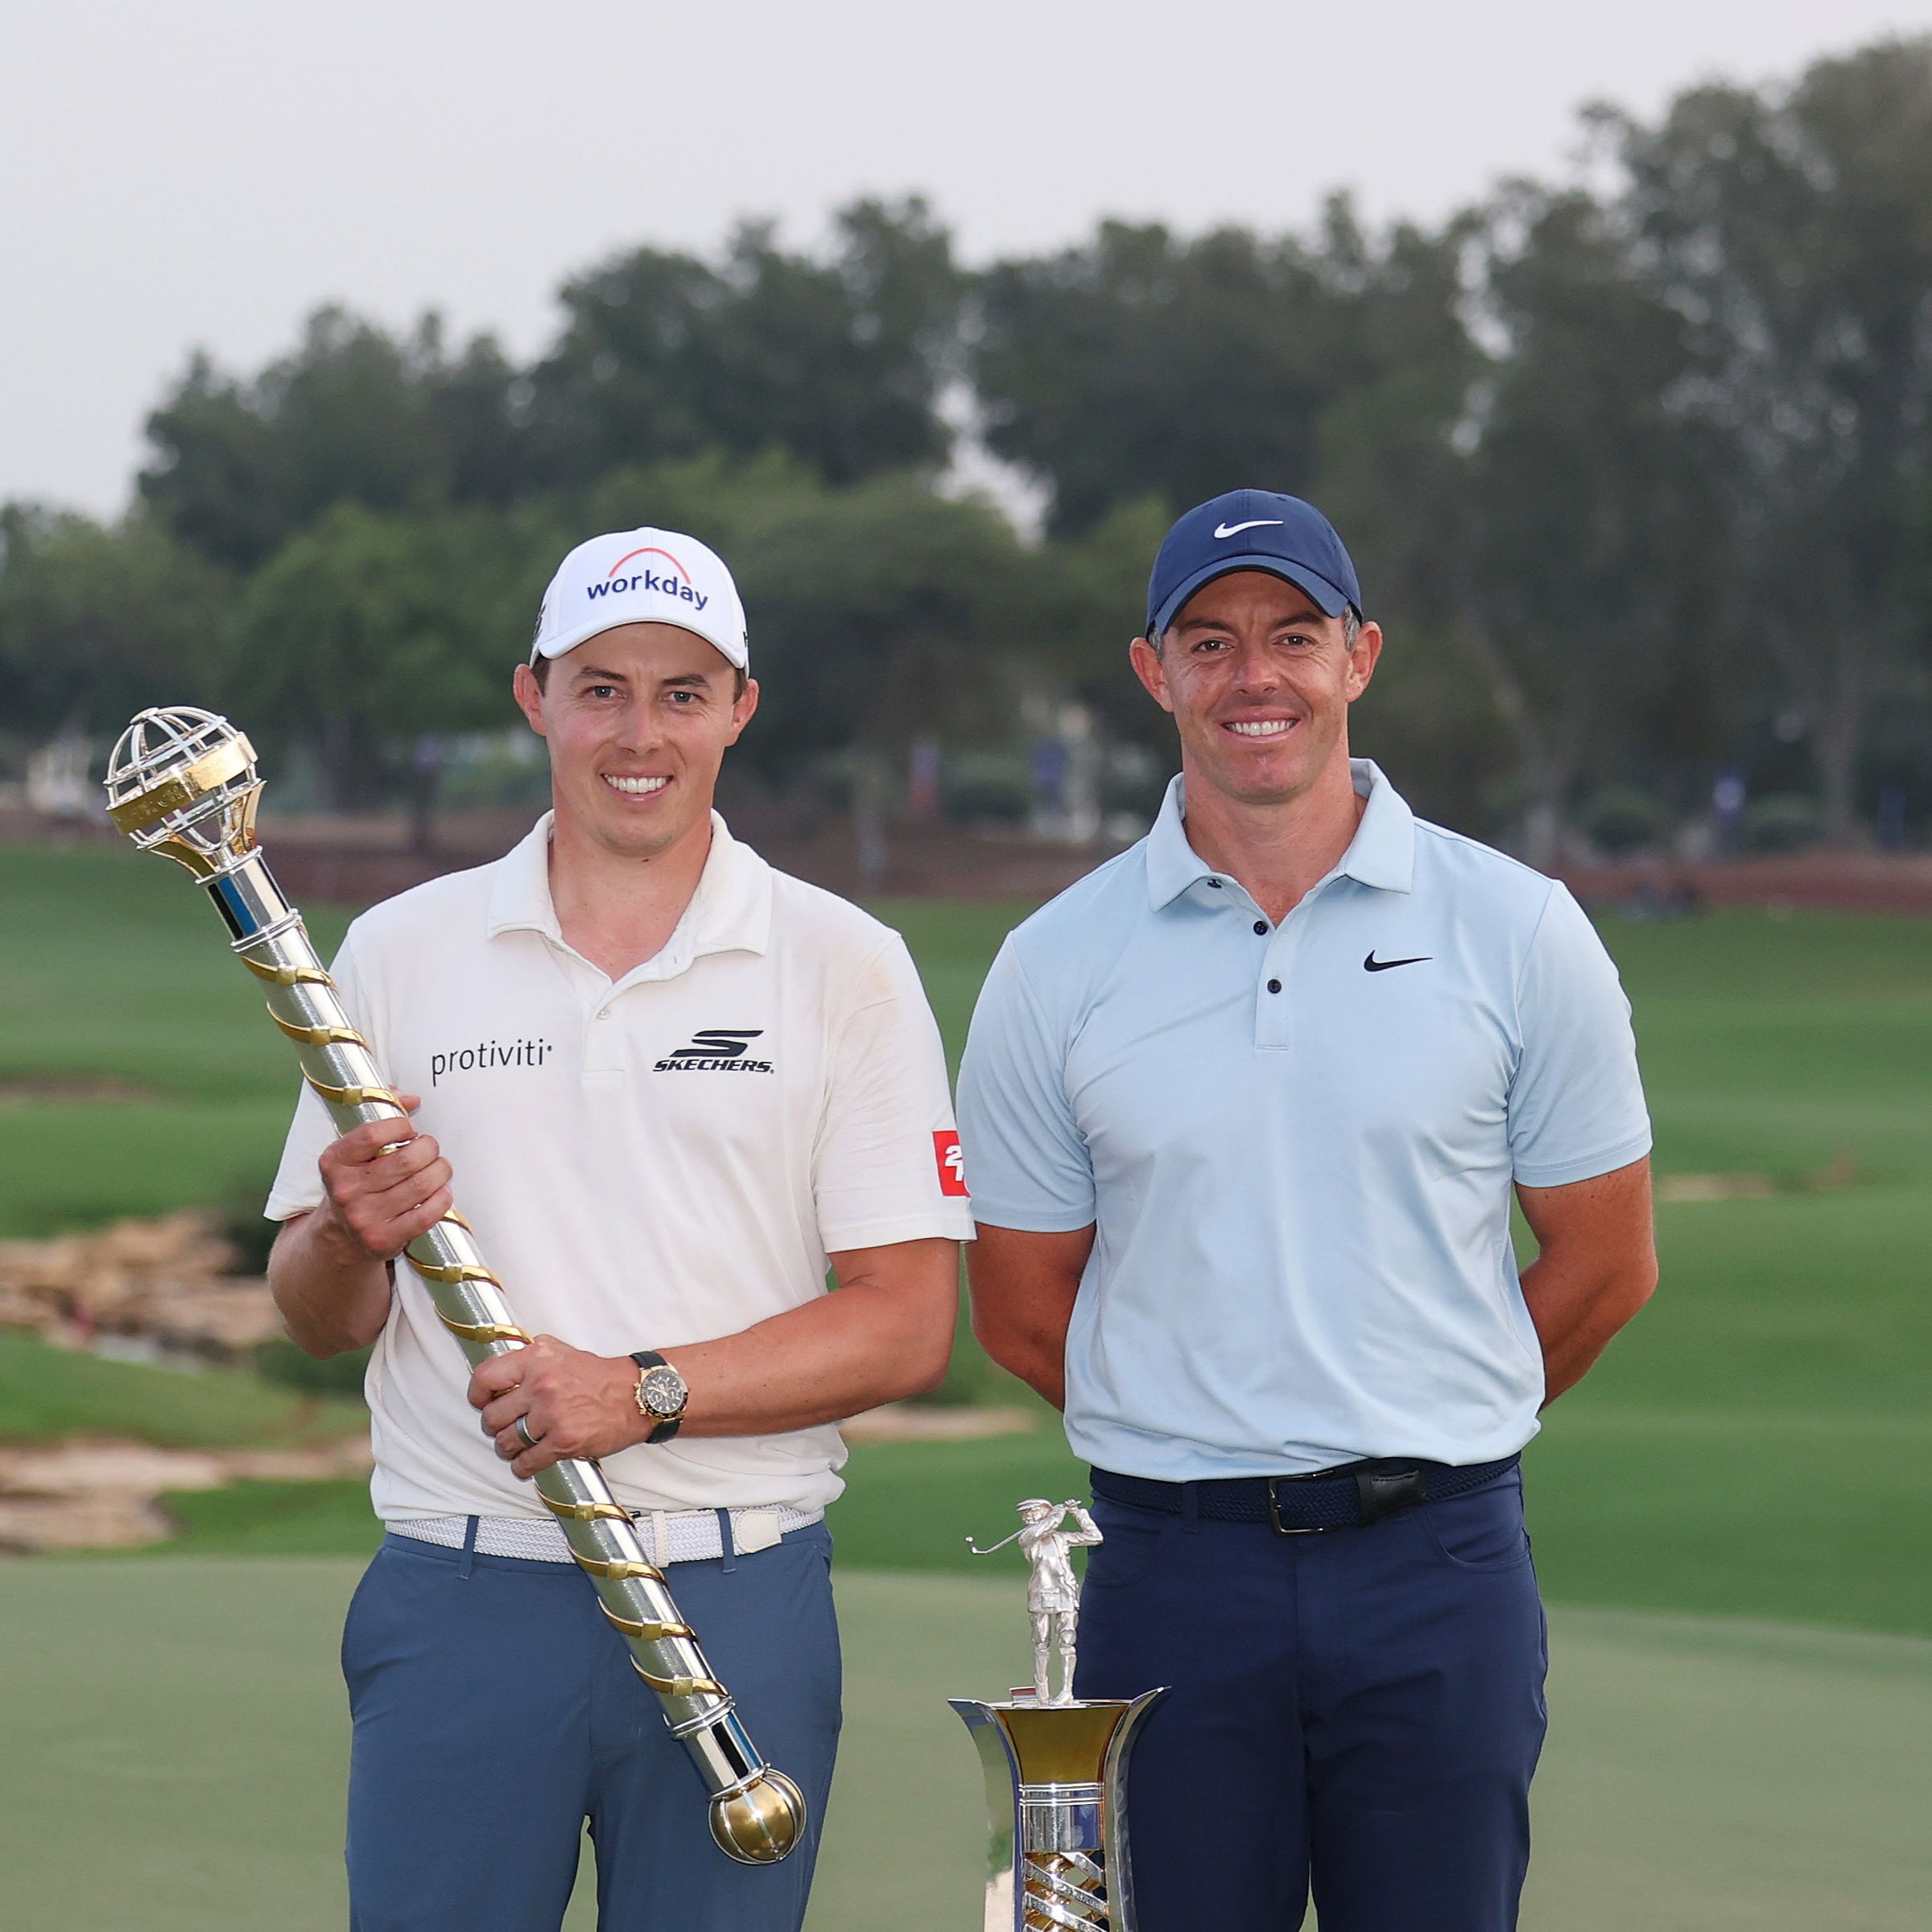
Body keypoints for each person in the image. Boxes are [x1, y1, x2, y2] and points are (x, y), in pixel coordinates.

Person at [956, 489, 1657, 1932]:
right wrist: (1210, 1436)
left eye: (1293, 634)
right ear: (1153, 672)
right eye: (1208, 642)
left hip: (1437, 1566)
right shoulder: (1052, 964)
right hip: (1171, 1576)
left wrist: (1426, 1406)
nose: (1253, 675)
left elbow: (1605, 1265)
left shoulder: (1519, 928)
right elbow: (1023, 1310)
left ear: (1359, 656)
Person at [264, 526, 975, 1932]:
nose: (639, 735)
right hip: (464, 1587)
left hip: (741, 1590)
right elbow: (315, 1315)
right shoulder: (402, 949)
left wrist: (640, 1392)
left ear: (739, 708)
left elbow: (906, 1326)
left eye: (681, 693)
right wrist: (347, 1237)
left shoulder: (847, 963)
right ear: (534, 696)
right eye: (601, 689)